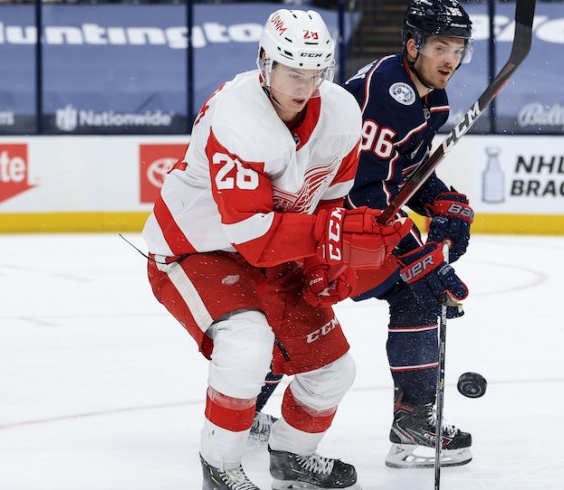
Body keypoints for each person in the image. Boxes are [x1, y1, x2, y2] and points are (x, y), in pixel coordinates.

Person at [142, 9, 411, 490]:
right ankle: (219, 467)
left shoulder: (342, 112)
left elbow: (329, 202)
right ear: (265, 62)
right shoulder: (236, 117)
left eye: (315, 73)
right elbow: (253, 237)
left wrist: (325, 262)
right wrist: (334, 236)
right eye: (293, 72)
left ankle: (291, 457)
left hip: (273, 252)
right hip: (197, 249)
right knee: (246, 345)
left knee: (332, 371)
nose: (304, 85)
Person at [249, 0, 476, 470]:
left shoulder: (429, 96)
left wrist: (440, 200)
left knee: (299, 314)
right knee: (411, 290)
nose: (450, 59)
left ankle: (241, 410)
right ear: (413, 46)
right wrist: (420, 256)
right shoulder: (388, 97)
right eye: (440, 46)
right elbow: (357, 191)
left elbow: (399, 173)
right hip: (322, 222)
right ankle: (413, 425)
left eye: (458, 49)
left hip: (330, 224)